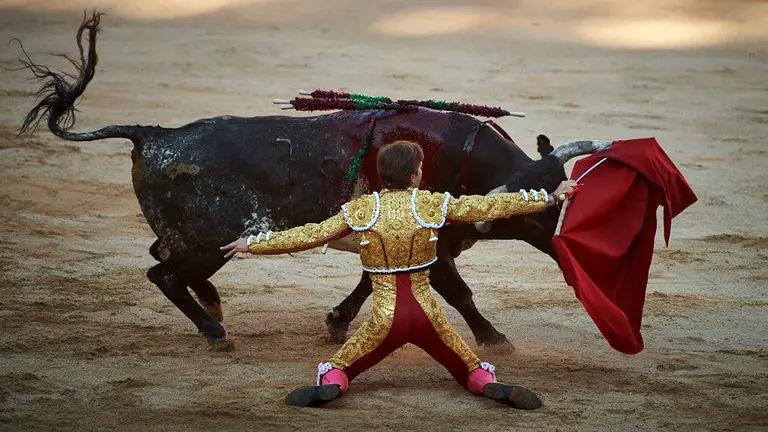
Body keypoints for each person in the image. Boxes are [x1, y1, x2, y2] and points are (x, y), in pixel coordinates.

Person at [221, 140, 576, 409]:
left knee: (340, 366)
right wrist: (550, 198)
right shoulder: (433, 204)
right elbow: (490, 205)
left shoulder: (361, 211)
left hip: (383, 321)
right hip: (427, 315)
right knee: (469, 367)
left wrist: (255, 243)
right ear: (414, 175)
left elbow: (310, 234)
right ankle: (484, 384)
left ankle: (335, 381)